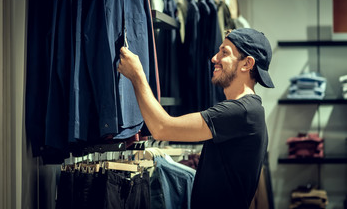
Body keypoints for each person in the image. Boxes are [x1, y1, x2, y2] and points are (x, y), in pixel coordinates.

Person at [117, 28, 274, 209]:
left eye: (224, 52)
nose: (214, 58)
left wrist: (137, 76)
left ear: (247, 63)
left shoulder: (242, 112)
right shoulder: (248, 111)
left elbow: (162, 128)